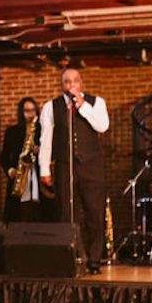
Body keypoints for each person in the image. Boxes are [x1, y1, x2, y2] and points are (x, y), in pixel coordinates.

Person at [39, 68, 110, 274]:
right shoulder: (51, 107)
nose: (72, 85)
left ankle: (94, 260)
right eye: (67, 82)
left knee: (94, 213)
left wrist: (82, 106)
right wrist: (45, 168)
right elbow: (46, 140)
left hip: (92, 166)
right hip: (65, 166)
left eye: (75, 81)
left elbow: (102, 126)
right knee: (67, 213)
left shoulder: (97, 103)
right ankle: (71, 257)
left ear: (81, 83)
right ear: (62, 85)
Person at [0, 97, 43, 223]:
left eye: (33, 110)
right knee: (18, 213)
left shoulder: (42, 130)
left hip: (37, 175)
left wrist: (39, 150)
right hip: (19, 175)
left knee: (38, 211)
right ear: (21, 113)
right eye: (27, 111)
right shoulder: (12, 131)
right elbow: (4, 156)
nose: (30, 114)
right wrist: (9, 170)